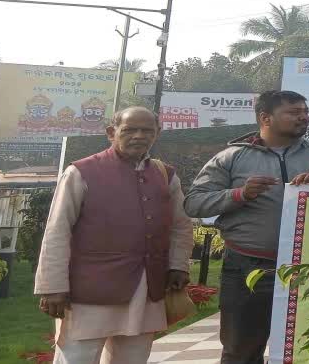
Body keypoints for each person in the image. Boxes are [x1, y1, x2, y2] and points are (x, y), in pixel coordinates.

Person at [185, 90, 309, 364]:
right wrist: (240, 194)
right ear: (265, 117)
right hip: (247, 266)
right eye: (293, 112)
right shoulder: (232, 157)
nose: (303, 117)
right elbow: (194, 203)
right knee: (241, 349)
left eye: (305, 111)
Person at [34, 107, 194, 364]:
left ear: (157, 134)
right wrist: (52, 287)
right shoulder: (81, 172)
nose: (139, 136)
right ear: (112, 132)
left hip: (147, 286)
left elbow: (180, 226)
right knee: (77, 358)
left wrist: (178, 265)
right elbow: (57, 231)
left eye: (147, 131)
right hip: (90, 289)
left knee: (133, 357)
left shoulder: (165, 175)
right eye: (130, 130)